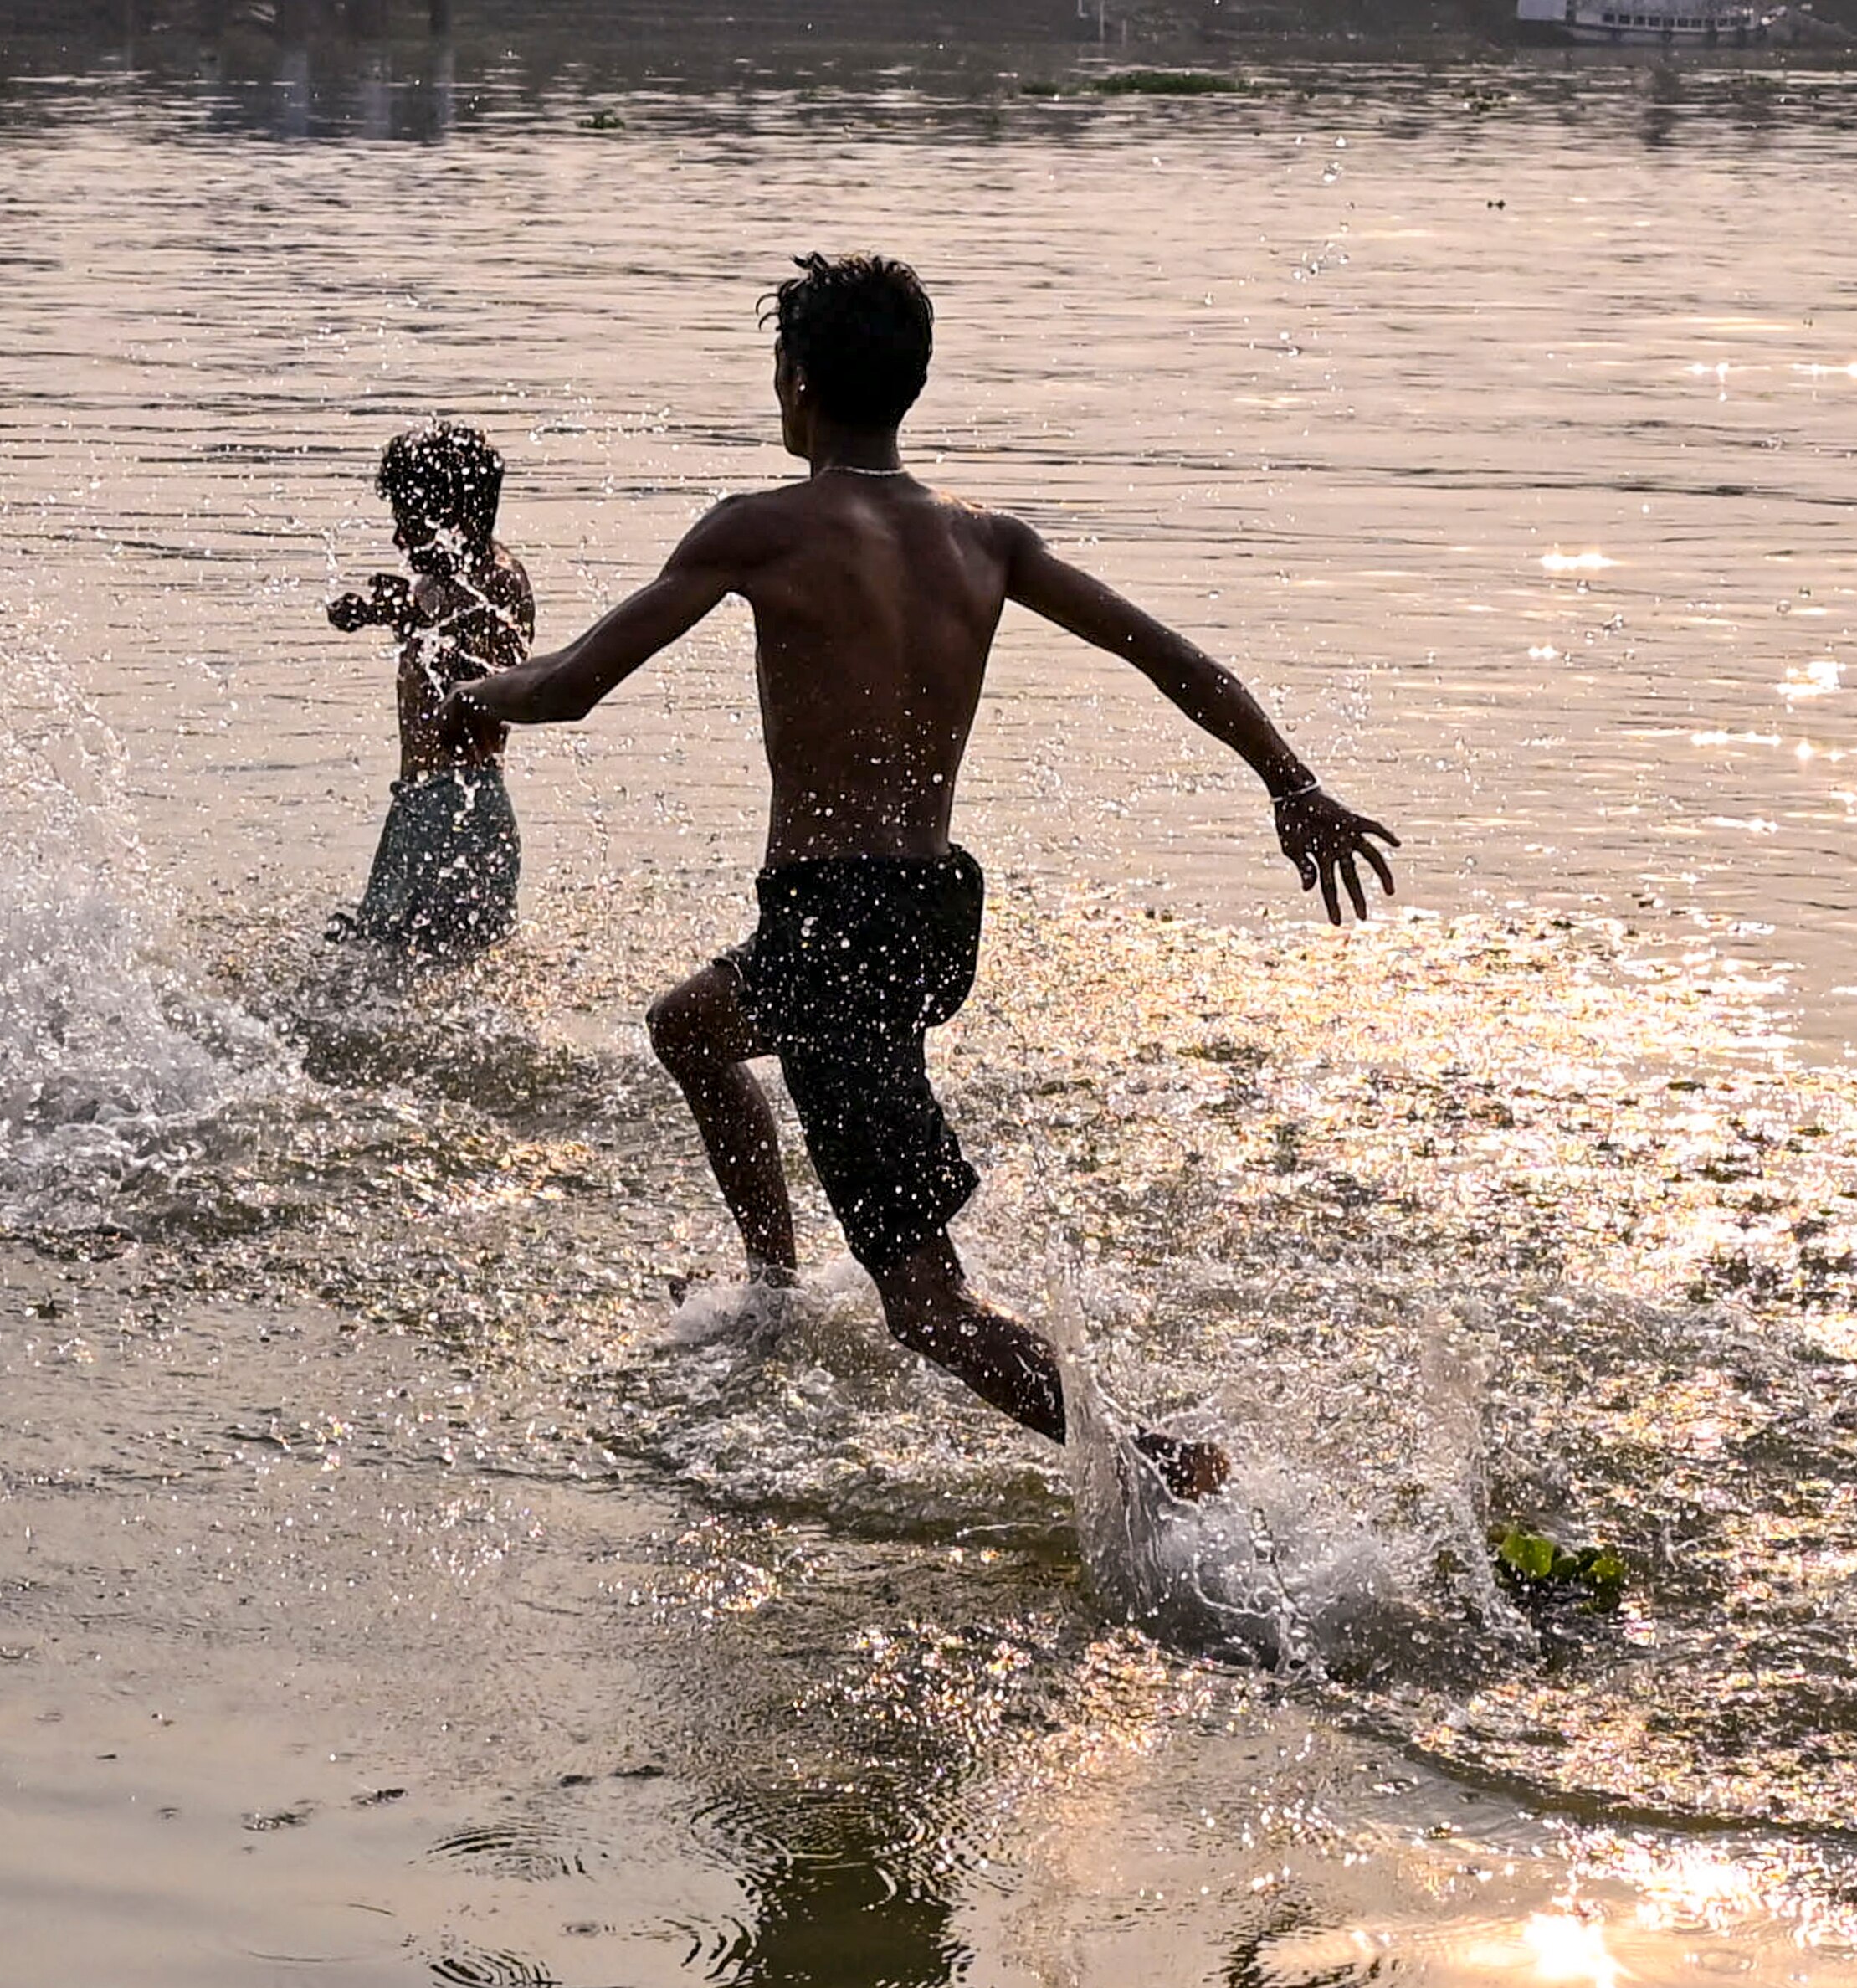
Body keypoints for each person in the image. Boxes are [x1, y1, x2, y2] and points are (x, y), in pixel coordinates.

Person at [443, 254, 1405, 1498]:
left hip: (834, 922)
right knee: (691, 1027)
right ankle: (775, 1291)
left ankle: (1159, 1468)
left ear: (793, 385)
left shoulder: (762, 526)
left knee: (929, 1310)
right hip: (927, 911)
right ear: (913, 382)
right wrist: (1291, 781)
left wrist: (476, 686)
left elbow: (571, 685)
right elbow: (1178, 663)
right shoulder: (984, 540)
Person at [323, 423, 536, 959]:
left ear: (458, 520)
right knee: (379, 961)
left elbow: (478, 646)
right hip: (422, 807)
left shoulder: (497, 580)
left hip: (458, 810)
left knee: (392, 968)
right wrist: (382, 612)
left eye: (410, 523)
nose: (398, 539)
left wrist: (405, 614)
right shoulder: (439, 585)